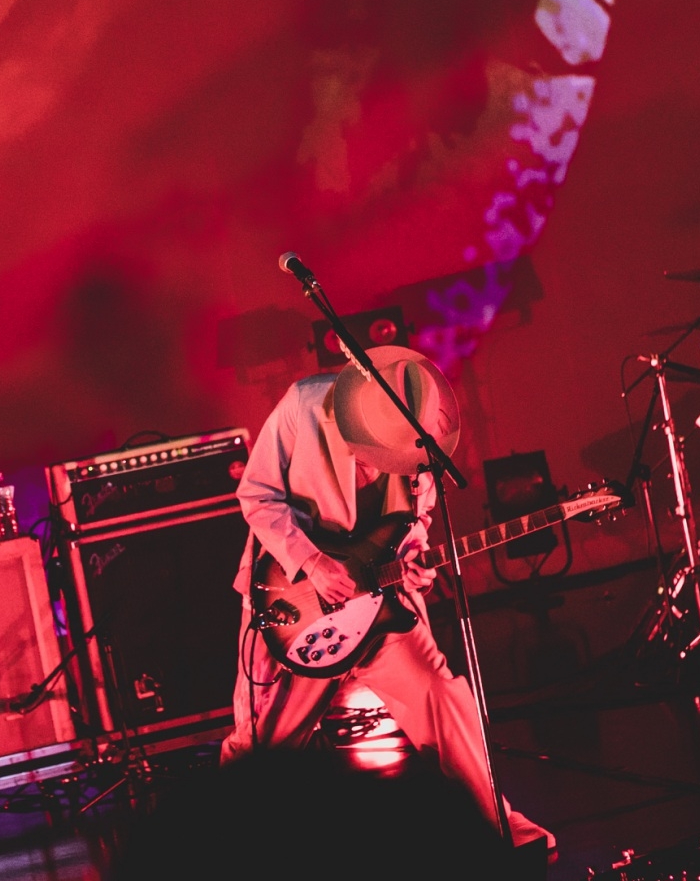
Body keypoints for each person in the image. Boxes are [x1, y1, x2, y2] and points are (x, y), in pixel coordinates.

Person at [222, 345, 553, 854]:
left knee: (443, 696)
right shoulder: (303, 406)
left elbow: (415, 523)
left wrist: (417, 561)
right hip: (295, 604)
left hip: (383, 607)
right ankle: (228, 849)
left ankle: (496, 824)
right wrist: (312, 561)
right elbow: (257, 496)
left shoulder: (423, 443)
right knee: (264, 742)